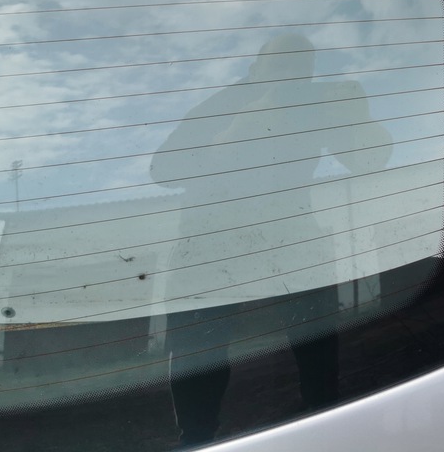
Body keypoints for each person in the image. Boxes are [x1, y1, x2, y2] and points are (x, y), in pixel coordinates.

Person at [149, 32, 392, 445]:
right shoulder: (221, 105)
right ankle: (197, 439)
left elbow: (371, 159)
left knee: (315, 343)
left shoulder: (316, 105)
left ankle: (327, 422)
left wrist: (360, 120)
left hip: (291, 238)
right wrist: (239, 126)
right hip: (211, 243)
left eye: (302, 67)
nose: (292, 74)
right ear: (255, 69)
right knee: (201, 351)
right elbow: (164, 169)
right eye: (282, 64)